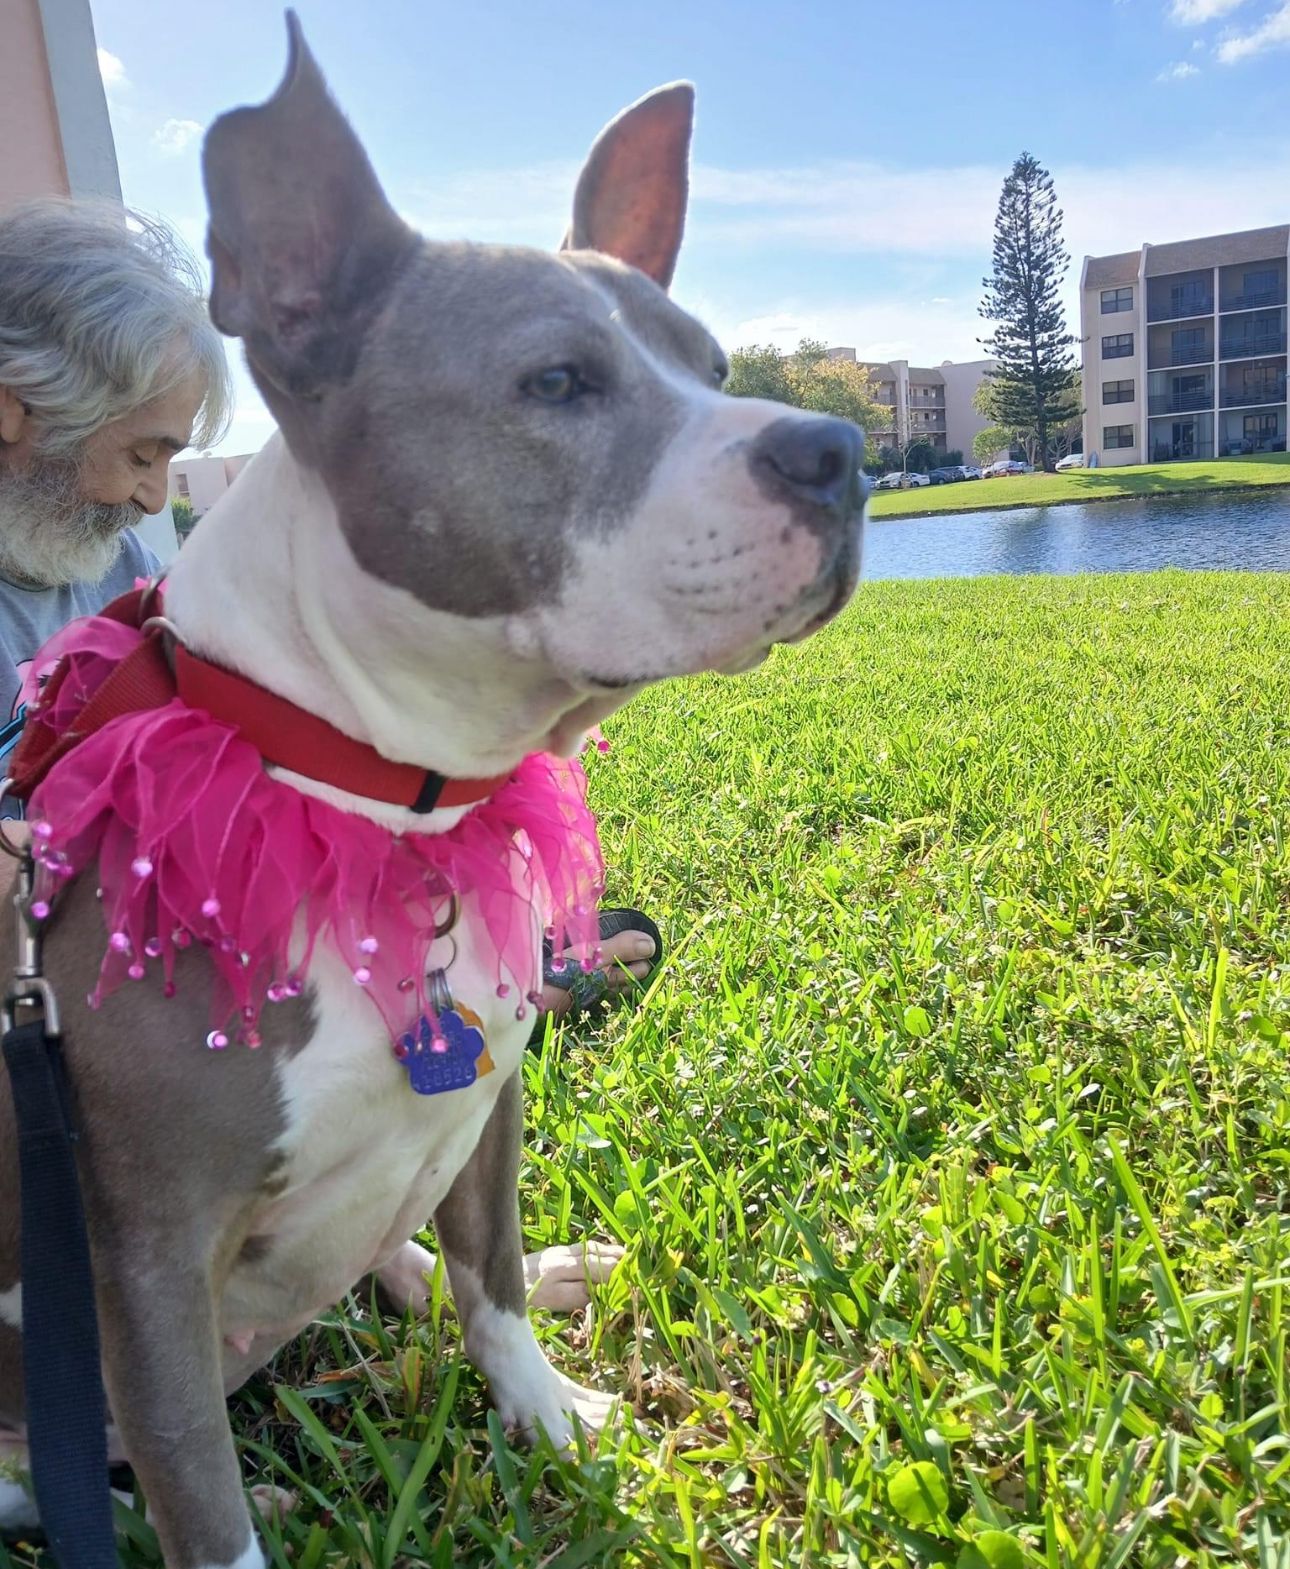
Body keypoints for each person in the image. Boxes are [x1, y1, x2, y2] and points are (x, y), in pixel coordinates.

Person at [0, 198, 656, 1013]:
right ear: (13, 407)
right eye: (142, 454)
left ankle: (474, 978)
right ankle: (493, 996)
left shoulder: (114, 559)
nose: (149, 500)